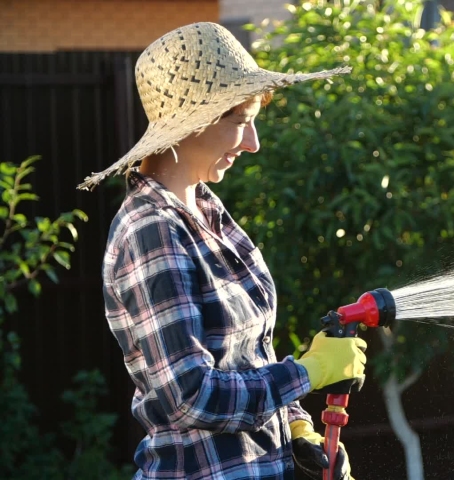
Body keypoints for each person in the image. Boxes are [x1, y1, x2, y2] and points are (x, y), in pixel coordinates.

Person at [78, 22, 365, 480]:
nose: (253, 143)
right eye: (240, 122)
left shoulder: (207, 209)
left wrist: (298, 428)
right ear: (194, 120)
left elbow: (251, 355)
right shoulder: (150, 230)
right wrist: (308, 373)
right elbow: (191, 395)